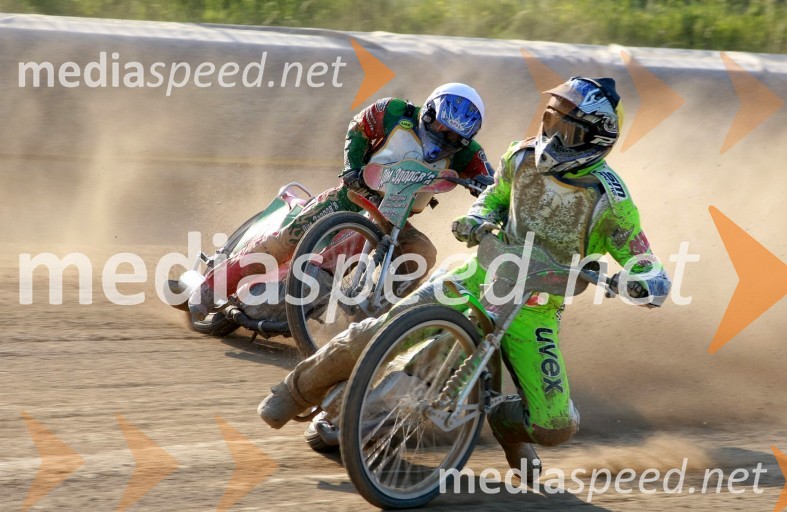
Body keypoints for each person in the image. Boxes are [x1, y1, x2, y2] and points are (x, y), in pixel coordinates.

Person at [257, 77, 672, 475]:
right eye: (550, 120)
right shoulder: (522, 157)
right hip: (477, 275)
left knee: (556, 426)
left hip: (537, 310)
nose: (552, 134)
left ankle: (502, 421)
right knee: (377, 332)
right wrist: (476, 217)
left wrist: (643, 281)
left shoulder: (611, 202)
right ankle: (296, 392)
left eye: (566, 128)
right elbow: (494, 197)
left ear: (594, 137)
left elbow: (645, 260)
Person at [189, 83, 493, 318]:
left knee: (422, 252)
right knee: (286, 239)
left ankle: (377, 316)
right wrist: (352, 168)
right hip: (352, 196)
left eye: (453, 137)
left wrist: (484, 185)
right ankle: (209, 288)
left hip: (394, 219)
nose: (443, 138)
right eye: (440, 126)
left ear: (465, 139)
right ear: (428, 113)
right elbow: (358, 128)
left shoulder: (470, 153)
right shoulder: (393, 111)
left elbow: (491, 179)